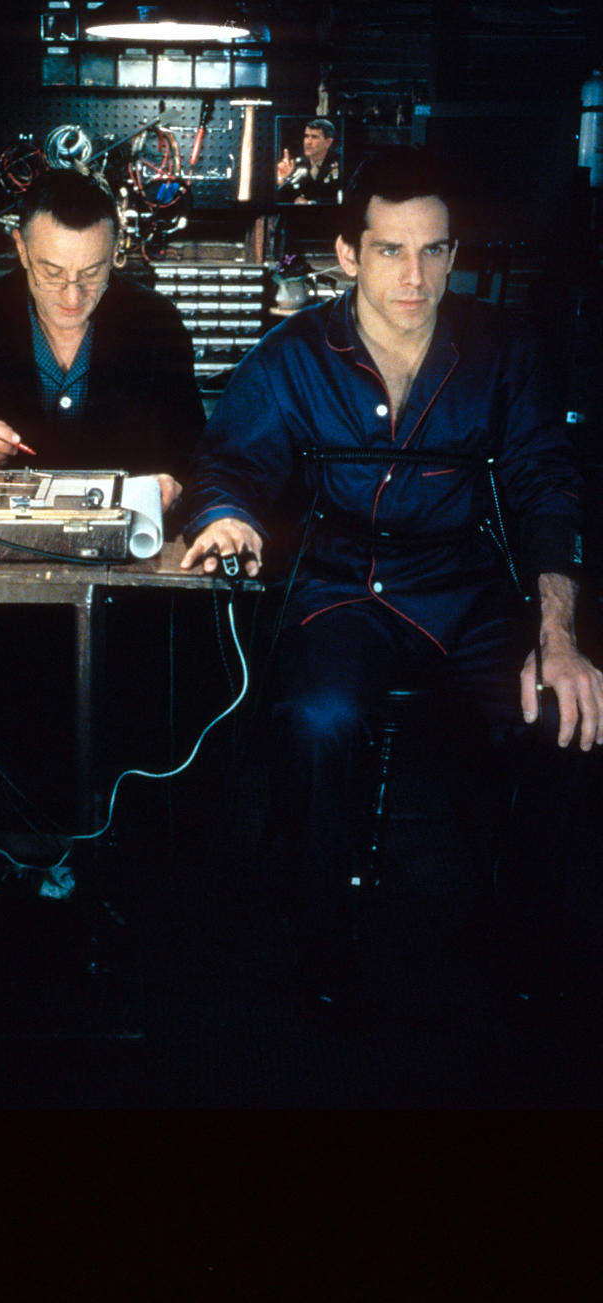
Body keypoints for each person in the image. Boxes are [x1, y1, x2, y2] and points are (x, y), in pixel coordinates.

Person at [181, 147, 603, 997]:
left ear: (454, 252)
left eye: (435, 250)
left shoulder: (505, 348)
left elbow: (546, 485)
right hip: (342, 590)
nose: (415, 275)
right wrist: (226, 512)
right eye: (389, 250)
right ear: (347, 253)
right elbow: (229, 464)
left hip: (470, 592)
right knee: (315, 720)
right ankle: (320, 947)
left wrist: (558, 636)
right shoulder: (292, 354)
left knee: (565, 712)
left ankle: (525, 952)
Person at [0, 167, 205, 515]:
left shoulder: (158, 325)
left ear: (115, 249)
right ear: (21, 248)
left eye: (92, 272)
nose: (73, 296)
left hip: (123, 538)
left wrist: (174, 483)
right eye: (52, 272)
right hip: (0, 539)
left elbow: (194, 454)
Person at [276, 118, 341, 205]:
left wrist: (310, 203)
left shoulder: (339, 163)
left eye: (314, 137)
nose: (308, 142)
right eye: (306, 136)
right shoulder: (298, 164)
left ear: (328, 142)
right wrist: (282, 180)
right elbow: (283, 197)